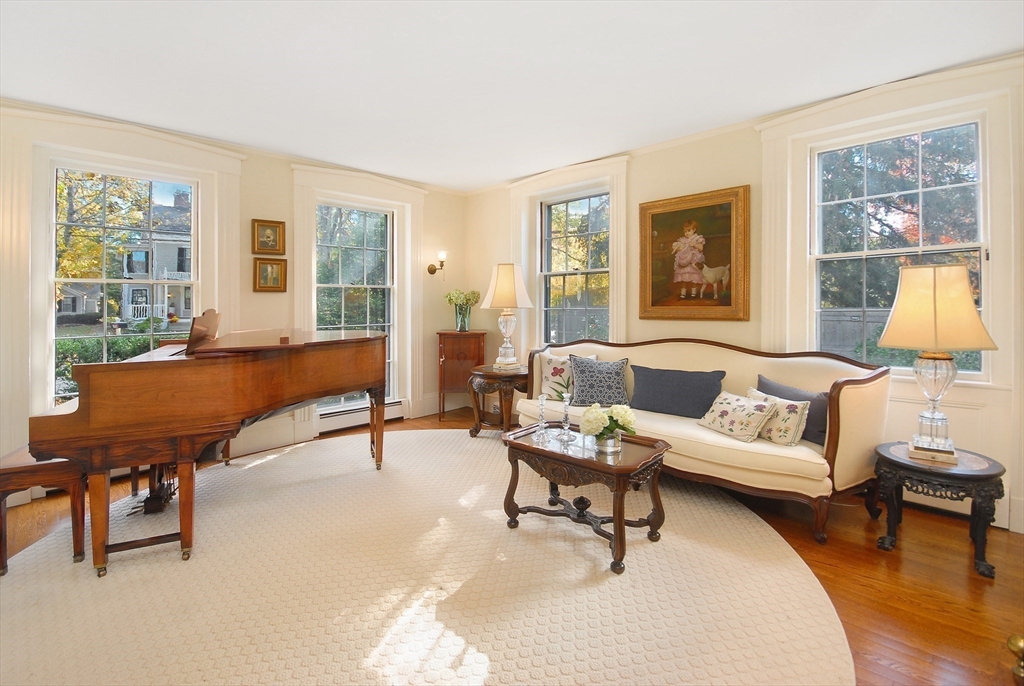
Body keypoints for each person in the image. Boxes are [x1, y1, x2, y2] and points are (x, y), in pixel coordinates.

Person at [672, 219, 706, 299]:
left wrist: (695, 245)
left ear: (694, 230)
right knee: (684, 277)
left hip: (693, 261)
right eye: (685, 231)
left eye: (689, 230)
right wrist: (678, 248)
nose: (686, 233)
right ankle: (683, 293)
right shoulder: (682, 240)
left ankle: (693, 293)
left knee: (693, 277)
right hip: (684, 261)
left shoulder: (697, 238)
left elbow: (701, 249)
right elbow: (678, 248)